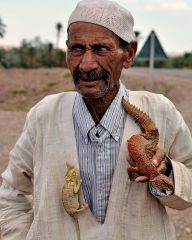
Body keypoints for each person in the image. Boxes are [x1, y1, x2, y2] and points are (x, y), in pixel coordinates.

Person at [0, 0, 192, 239]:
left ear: (129, 54)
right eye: (77, 49)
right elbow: (11, 195)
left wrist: (167, 171)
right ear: (67, 49)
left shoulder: (159, 111)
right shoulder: (44, 115)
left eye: (101, 49)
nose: (86, 64)